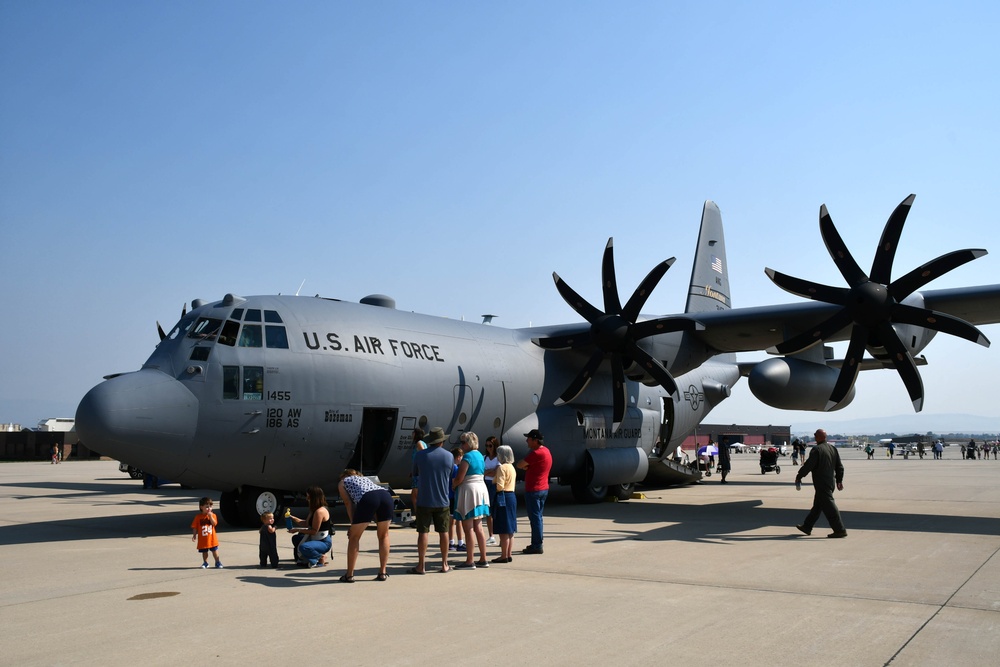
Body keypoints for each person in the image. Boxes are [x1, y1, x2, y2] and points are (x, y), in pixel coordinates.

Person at [410, 426, 454, 574]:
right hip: (442, 499)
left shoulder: (420, 456)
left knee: (423, 532)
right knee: (444, 532)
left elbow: (415, 474)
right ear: (442, 441)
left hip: (424, 499)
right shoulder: (449, 456)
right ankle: (444, 564)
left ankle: (421, 565)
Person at [338, 469, 394, 582]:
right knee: (384, 535)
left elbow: (348, 503)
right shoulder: (365, 479)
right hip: (386, 496)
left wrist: (352, 524)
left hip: (368, 498)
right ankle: (383, 572)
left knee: (354, 537)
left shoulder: (342, 482)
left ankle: (349, 575)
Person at [794, 429, 847, 538]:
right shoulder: (832, 449)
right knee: (818, 506)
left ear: (819, 437)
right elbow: (839, 466)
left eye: (815, 435)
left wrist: (799, 476)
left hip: (822, 484)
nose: (814, 436)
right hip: (830, 482)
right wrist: (839, 480)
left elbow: (809, 465)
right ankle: (807, 526)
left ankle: (840, 530)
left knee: (830, 508)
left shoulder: (817, 450)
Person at [452, 432, 491, 569]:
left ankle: (470, 560)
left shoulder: (467, 457)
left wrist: (453, 484)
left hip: (469, 491)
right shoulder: (480, 455)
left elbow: (460, 477)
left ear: (468, 443)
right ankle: (483, 558)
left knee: (467, 527)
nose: (461, 445)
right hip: (480, 490)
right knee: (478, 526)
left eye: (463, 443)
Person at [516, 428, 552, 555]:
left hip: (534, 490)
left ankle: (537, 544)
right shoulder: (546, 451)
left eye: (529, 439)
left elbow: (520, 464)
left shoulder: (536, 453)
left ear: (536, 441)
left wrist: (527, 466)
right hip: (543, 488)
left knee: (535, 518)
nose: (527, 440)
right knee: (538, 517)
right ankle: (537, 543)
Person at [288, 486, 332, 568]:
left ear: (314, 498)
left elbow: (314, 531)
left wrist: (298, 530)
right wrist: (293, 518)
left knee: (304, 547)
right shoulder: (313, 510)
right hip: (314, 538)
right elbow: (306, 523)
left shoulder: (320, 511)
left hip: (323, 541)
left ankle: (320, 557)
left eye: (308, 497)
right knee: (296, 538)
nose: (307, 499)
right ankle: (305, 558)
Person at [491, 444, 518, 563]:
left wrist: (495, 483)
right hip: (511, 495)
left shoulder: (502, 468)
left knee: (503, 528)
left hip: (503, 495)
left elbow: (500, 485)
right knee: (510, 528)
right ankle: (509, 553)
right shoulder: (512, 467)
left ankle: (503, 555)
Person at [191, 497, 223, 568]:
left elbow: (214, 524)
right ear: (201, 507)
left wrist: (210, 516)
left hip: (212, 539)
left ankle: (217, 562)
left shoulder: (213, 515)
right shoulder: (198, 517)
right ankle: (205, 562)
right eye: (207, 507)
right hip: (203, 539)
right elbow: (195, 527)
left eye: (210, 507)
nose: (209, 509)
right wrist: (194, 535)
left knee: (214, 551)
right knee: (204, 552)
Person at [482, 436, 500, 545]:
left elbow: (496, 472)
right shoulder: (484, 458)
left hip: (494, 484)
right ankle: (491, 535)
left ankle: (501, 535)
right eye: (487, 445)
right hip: (486, 484)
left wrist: (487, 472)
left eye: (490, 445)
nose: (488, 448)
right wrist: (489, 471)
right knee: (488, 511)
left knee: (496, 510)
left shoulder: (498, 458)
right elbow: (482, 472)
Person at [448, 447, 465, 552]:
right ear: (458, 457)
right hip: (455, 496)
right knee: (458, 521)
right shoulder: (456, 468)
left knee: (451, 521)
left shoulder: (449, 467)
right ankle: (460, 542)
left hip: (449, 497)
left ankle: (451, 542)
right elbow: (455, 483)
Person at [409, 427, 426, 512]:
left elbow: (424, 455)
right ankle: (418, 516)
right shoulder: (421, 443)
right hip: (417, 472)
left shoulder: (419, 443)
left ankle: (419, 517)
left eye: (413, 433)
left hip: (418, 474)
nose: (412, 434)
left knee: (415, 497)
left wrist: (418, 469)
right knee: (414, 496)